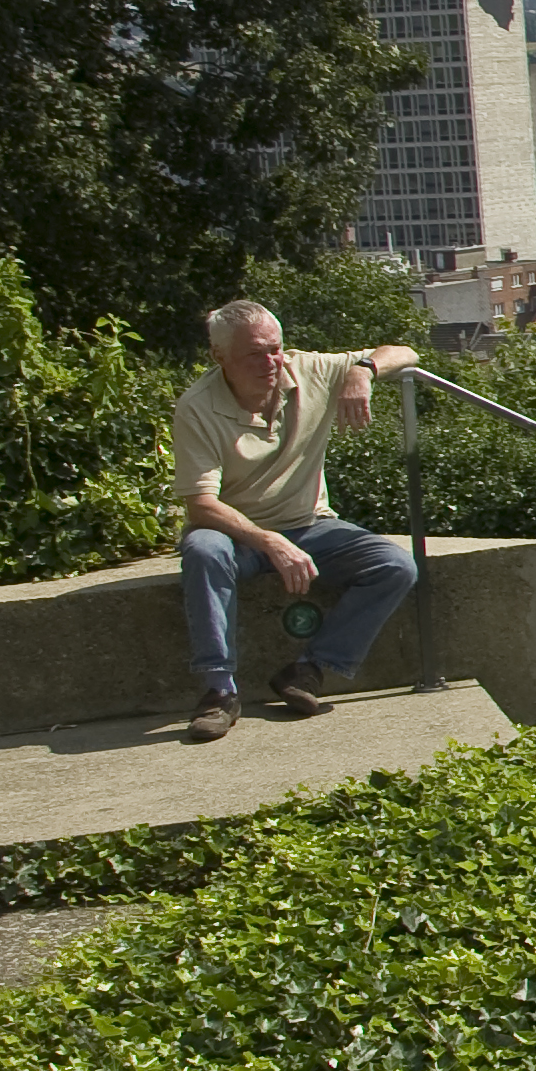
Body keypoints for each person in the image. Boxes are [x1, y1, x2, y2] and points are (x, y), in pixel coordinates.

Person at [170, 299, 421, 743]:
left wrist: (362, 371)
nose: (271, 362)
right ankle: (218, 690)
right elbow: (201, 506)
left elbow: (405, 352)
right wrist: (269, 540)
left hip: (310, 524)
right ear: (219, 356)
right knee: (202, 549)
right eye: (255, 354)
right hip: (237, 534)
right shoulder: (197, 407)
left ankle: (309, 670)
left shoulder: (310, 370)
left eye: (276, 349)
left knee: (396, 566)